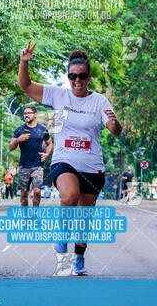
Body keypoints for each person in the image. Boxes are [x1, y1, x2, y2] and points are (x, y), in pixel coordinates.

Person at [18, 42, 122, 276]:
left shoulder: (99, 101)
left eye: (82, 76)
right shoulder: (58, 95)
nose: (77, 80)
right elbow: (25, 85)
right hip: (64, 161)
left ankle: (79, 260)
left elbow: (114, 129)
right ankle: (62, 237)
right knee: (69, 195)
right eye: (73, 76)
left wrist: (115, 125)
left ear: (89, 77)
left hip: (92, 167)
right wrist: (24, 62)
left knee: (85, 217)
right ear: (68, 76)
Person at [8, 105, 53, 206]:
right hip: (24, 166)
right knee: (24, 194)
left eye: (28, 113)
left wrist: (47, 154)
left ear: (35, 115)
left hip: (38, 165)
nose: (26, 115)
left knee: (37, 191)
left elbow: (50, 143)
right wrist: (18, 140)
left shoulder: (43, 129)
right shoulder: (19, 130)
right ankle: (25, 218)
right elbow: (10, 147)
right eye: (24, 113)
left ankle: (34, 215)